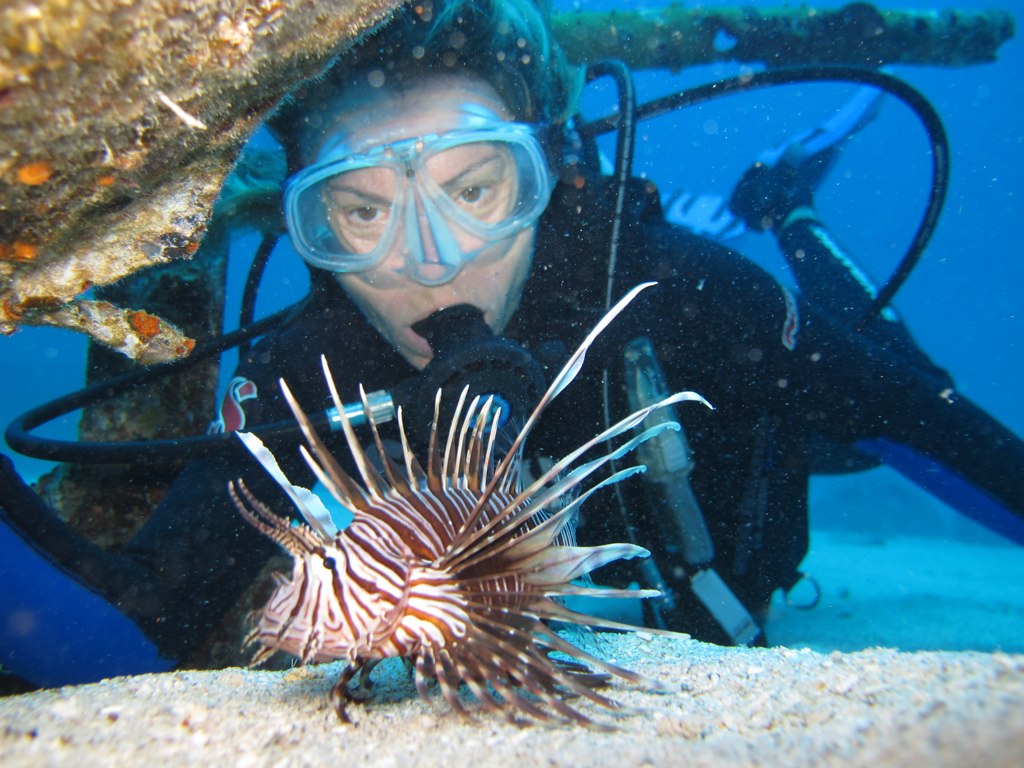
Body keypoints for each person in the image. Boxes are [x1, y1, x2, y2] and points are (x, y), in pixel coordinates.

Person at [2, 0, 1022, 688]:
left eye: (476, 189)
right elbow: (138, 629)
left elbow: (950, 440)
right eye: (360, 211)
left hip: (747, 535)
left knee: (897, 387)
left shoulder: (676, 293)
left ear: (549, 171)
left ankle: (791, 214)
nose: (431, 261)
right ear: (306, 225)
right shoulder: (311, 375)